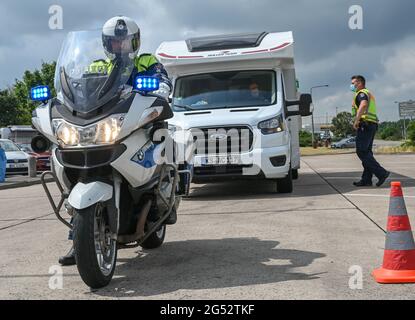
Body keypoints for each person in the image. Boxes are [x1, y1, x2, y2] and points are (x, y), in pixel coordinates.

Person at [59, 16, 173, 266]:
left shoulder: (146, 61)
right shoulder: (98, 66)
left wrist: (160, 88)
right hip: (103, 126)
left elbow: (163, 82)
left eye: (124, 41)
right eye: (114, 42)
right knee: (75, 166)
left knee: (158, 143)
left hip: (136, 123)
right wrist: (64, 95)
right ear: (106, 44)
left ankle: (157, 200)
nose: (119, 46)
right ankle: (78, 238)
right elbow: (79, 90)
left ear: (135, 42)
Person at [350, 75, 390, 188]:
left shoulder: (361, 93)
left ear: (360, 83)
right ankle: (366, 179)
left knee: (361, 151)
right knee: (367, 152)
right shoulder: (368, 93)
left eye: (353, 83)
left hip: (365, 125)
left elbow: (363, 105)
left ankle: (381, 173)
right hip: (371, 125)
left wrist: (356, 121)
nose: (352, 85)